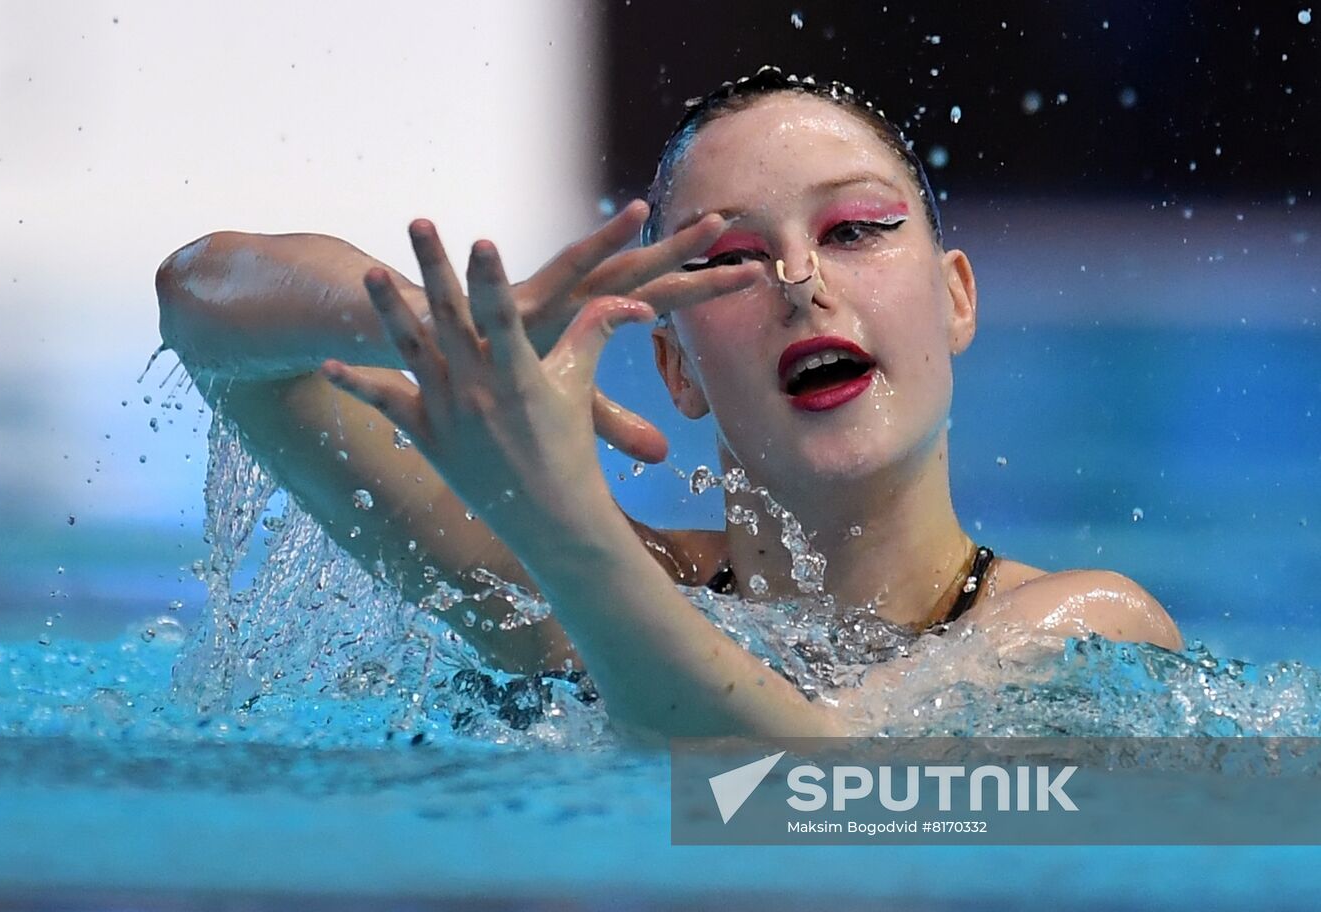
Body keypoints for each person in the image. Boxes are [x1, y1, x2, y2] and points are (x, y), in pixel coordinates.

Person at [156, 66, 1181, 742]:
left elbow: (797, 780)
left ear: (954, 296)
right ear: (676, 367)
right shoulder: (596, 588)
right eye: (729, 255)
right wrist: (442, 328)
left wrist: (555, 524)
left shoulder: (1082, 628)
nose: (795, 275)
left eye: (856, 230)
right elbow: (204, 309)